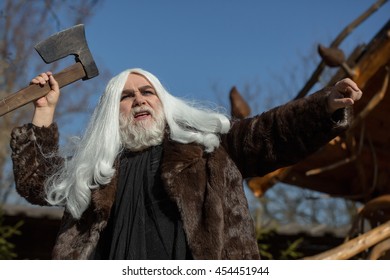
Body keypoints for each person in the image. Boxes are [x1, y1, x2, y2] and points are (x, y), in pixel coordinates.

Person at [10, 68, 362, 260]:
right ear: (110, 111)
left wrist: (323, 106)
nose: (139, 100)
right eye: (127, 95)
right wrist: (44, 110)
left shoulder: (210, 148)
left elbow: (269, 133)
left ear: (163, 101)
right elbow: (38, 181)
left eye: (147, 92)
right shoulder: (95, 172)